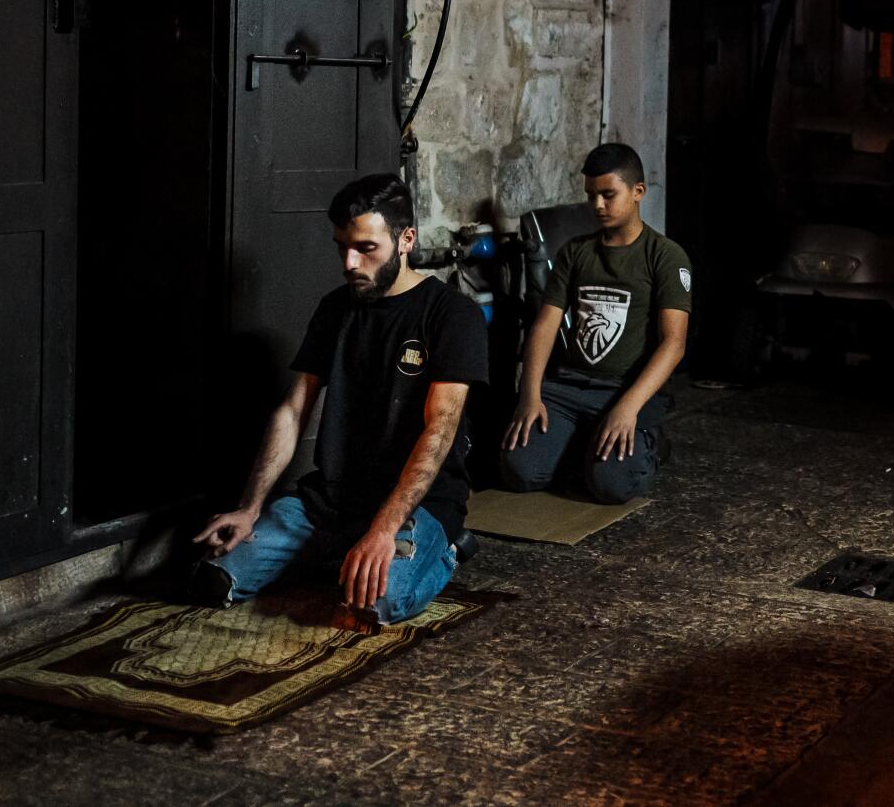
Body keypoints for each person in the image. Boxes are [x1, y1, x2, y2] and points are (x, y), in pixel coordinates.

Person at [192, 175, 488, 625]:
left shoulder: (451, 314)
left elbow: (441, 426)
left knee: (376, 604)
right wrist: (250, 506)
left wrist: (385, 529)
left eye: (366, 248)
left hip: (417, 504)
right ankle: (339, 551)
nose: (349, 263)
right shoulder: (336, 307)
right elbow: (292, 411)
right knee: (214, 578)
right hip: (332, 500)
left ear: (406, 239)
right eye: (341, 247)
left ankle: (443, 549)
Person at [501, 143, 691, 504]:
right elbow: (544, 325)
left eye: (608, 195)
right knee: (519, 470)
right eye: (591, 196)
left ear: (638, 192)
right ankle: (581, 440)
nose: (598, 206)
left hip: (624, 389)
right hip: (570, 385)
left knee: (611, 486)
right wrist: (530, 394)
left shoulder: (665, 256)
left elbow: (673, 343)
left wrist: (628, 407)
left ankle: (652, 443)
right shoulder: (576, 252)